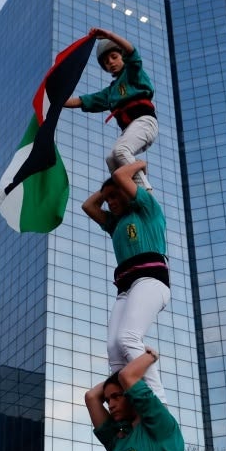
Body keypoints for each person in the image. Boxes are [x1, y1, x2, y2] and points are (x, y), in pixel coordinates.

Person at [82, 160, 168, 401]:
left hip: (150, 280)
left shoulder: (147, 210)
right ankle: (126, 401)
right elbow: (88, 205)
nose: (110, 203)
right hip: (126, 289)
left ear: (128, 193)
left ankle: (158, 399)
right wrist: (108, 189)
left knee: (128, 338)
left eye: (114, 197)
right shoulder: (115, 224)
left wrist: (139, 164)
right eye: (107, 199)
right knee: (114, 349)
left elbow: (121, 174)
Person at [65, 27, 157, 191]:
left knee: (120, 150)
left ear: (122, 56)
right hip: (131, 128)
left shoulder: (132, 73)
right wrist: (57, 102)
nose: (111, 63)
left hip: (144, 122)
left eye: (114, 57)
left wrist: (108, 35)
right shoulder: (111, 92)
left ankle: (145, 192)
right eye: (107, 62)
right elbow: (81, 101)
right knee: (111, 159)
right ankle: (128, 194)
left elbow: (131, 51)